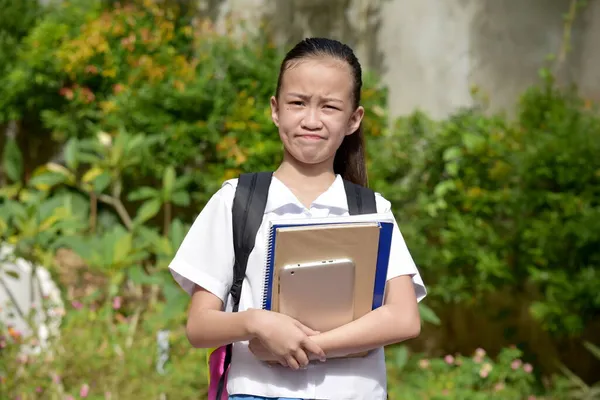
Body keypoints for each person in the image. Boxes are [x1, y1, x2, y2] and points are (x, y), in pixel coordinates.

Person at [168, 37, 427, 400]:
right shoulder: (237, 201)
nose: (311, 120)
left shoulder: (371, 210)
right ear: (276, 110)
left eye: (330, 107)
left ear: (354, 119)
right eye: (298, 103)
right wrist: (256, 323)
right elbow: (198, 326)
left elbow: (403, 317)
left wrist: (300, 345)